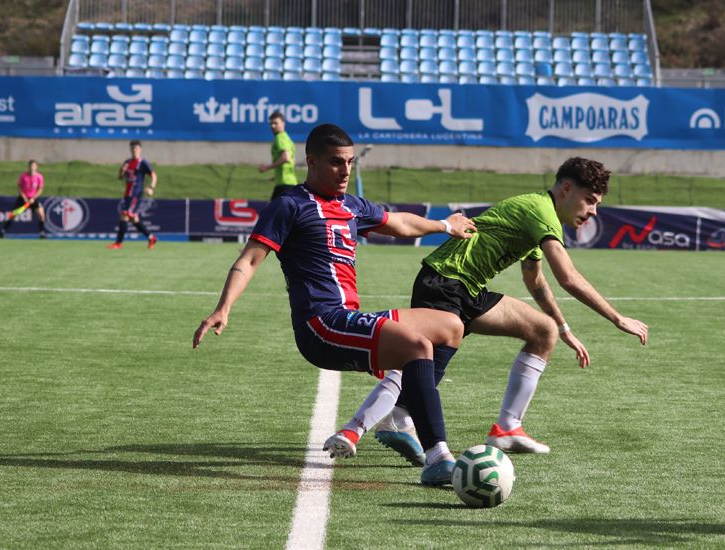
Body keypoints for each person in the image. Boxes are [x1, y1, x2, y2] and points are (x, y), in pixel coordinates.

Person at [193, 124, 477, 486]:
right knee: (417, 346)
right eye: (336, 163)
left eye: (350, 162)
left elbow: (399, 222)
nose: (345, 171)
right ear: (310, 162)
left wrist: (444, 225)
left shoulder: (351, 206)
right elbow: (249, 260)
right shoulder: (289, 205)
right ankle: (438, 457)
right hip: (321, 325)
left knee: (450, 327)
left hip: (349, 318)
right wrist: (223, 307)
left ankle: (399, 418)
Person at [328, 157, 649, 466]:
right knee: (418, 362)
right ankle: (362, 427)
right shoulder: (541, 211)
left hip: (465, 289)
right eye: (589, 200)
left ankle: (507, 428)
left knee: (542, 331)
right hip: (444, 281)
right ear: (567, 189)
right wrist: (618, 318)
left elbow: (535, 281)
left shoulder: (541, 214)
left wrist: (564, 330)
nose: (592, 211)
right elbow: (567, 277)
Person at [108, 140, 157, 250]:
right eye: (133, 148)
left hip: (136, 195)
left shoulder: (143, 163)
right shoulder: (127, 162)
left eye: (137, 148)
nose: (134, 150)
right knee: (134, 220)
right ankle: (151, 238)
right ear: (130, 150)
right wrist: (121, 170)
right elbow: (120, 177)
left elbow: (153, 175)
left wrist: (151, 188)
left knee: (125, 214)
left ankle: (118, 243)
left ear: (140, 150)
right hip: (127, 195)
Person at [0, 160, 46, 239]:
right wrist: (24, 198)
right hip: (23, 198)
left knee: (41, 215)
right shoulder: (23, 176)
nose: (32, 168)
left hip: (33, 199)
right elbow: (19, 187)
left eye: (33, 166)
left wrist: (33, 198)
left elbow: (40, 189)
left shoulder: (39, 176)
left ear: (36, 167)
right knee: (13, 214)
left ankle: (42, 233)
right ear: (28, 166)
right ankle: (2, 231)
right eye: (30, 166)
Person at [258, 111, 299, 200]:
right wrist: (276, 175)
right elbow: (292, 162)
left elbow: (286, 157)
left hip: (283, 185)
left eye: (275, 123)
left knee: (271, 212)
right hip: (291, 183)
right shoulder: (288, 138)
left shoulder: (279, 137)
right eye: (271, 123)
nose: (272, 126)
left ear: (283, 123)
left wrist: (267, 167)